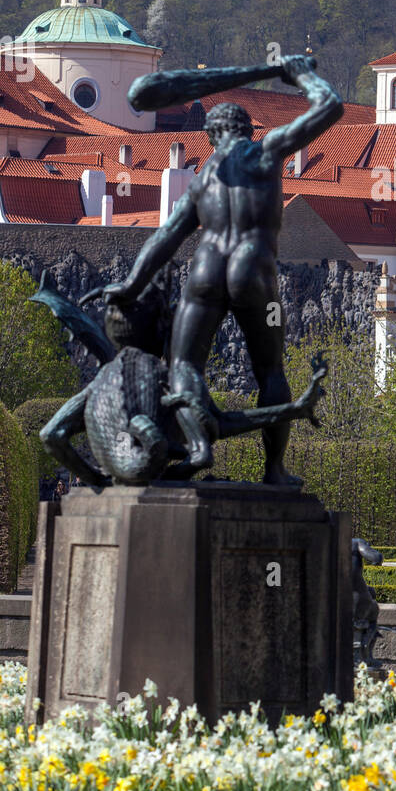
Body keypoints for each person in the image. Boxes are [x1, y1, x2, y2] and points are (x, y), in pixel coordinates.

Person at [96, 56, 342, 488]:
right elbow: (330, 105)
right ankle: (274, 470)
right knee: (270, 370)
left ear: (211, 137)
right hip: (255, 271)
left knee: (185, 365)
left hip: (205, 270)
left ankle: (196, 446)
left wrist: (131, 283)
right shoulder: (266, 151)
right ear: (248, 130)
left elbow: (164, 239)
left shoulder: (201, 179)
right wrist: (299, 73)